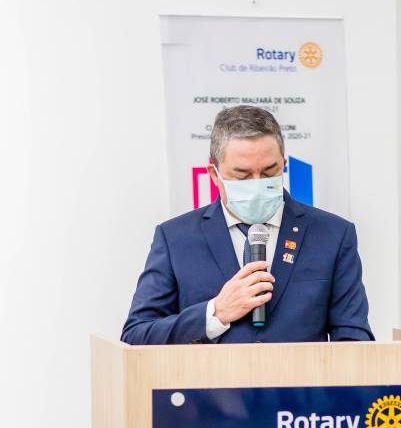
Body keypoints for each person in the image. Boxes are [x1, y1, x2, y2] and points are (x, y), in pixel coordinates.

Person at [121, 105, 374, 344]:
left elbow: (355, 340)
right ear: (214, 174)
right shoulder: (175, 238)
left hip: (302, 378)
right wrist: (215, 313)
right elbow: (136, 335)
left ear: (284, 165)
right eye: (242, 176)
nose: (256, 183)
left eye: (269, 172)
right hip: (211, 378)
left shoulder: (333, 235)